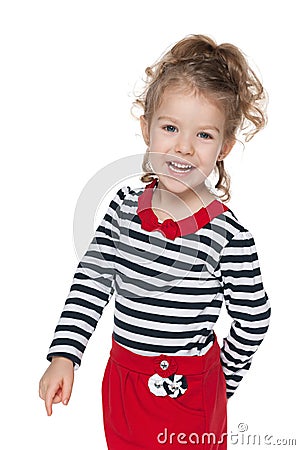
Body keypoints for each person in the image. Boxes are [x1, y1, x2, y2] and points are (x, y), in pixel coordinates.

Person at [39, 34, 271, 449]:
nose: (182, 146)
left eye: (203, 135)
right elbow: (92, 283)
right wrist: (64, 355)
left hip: (188, 393)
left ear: (224, 147)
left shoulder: (227, 236)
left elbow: (253, 319)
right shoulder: (123, 208)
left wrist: (220, 381)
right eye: (170, 127)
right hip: (123, 384)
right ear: (147, 128)